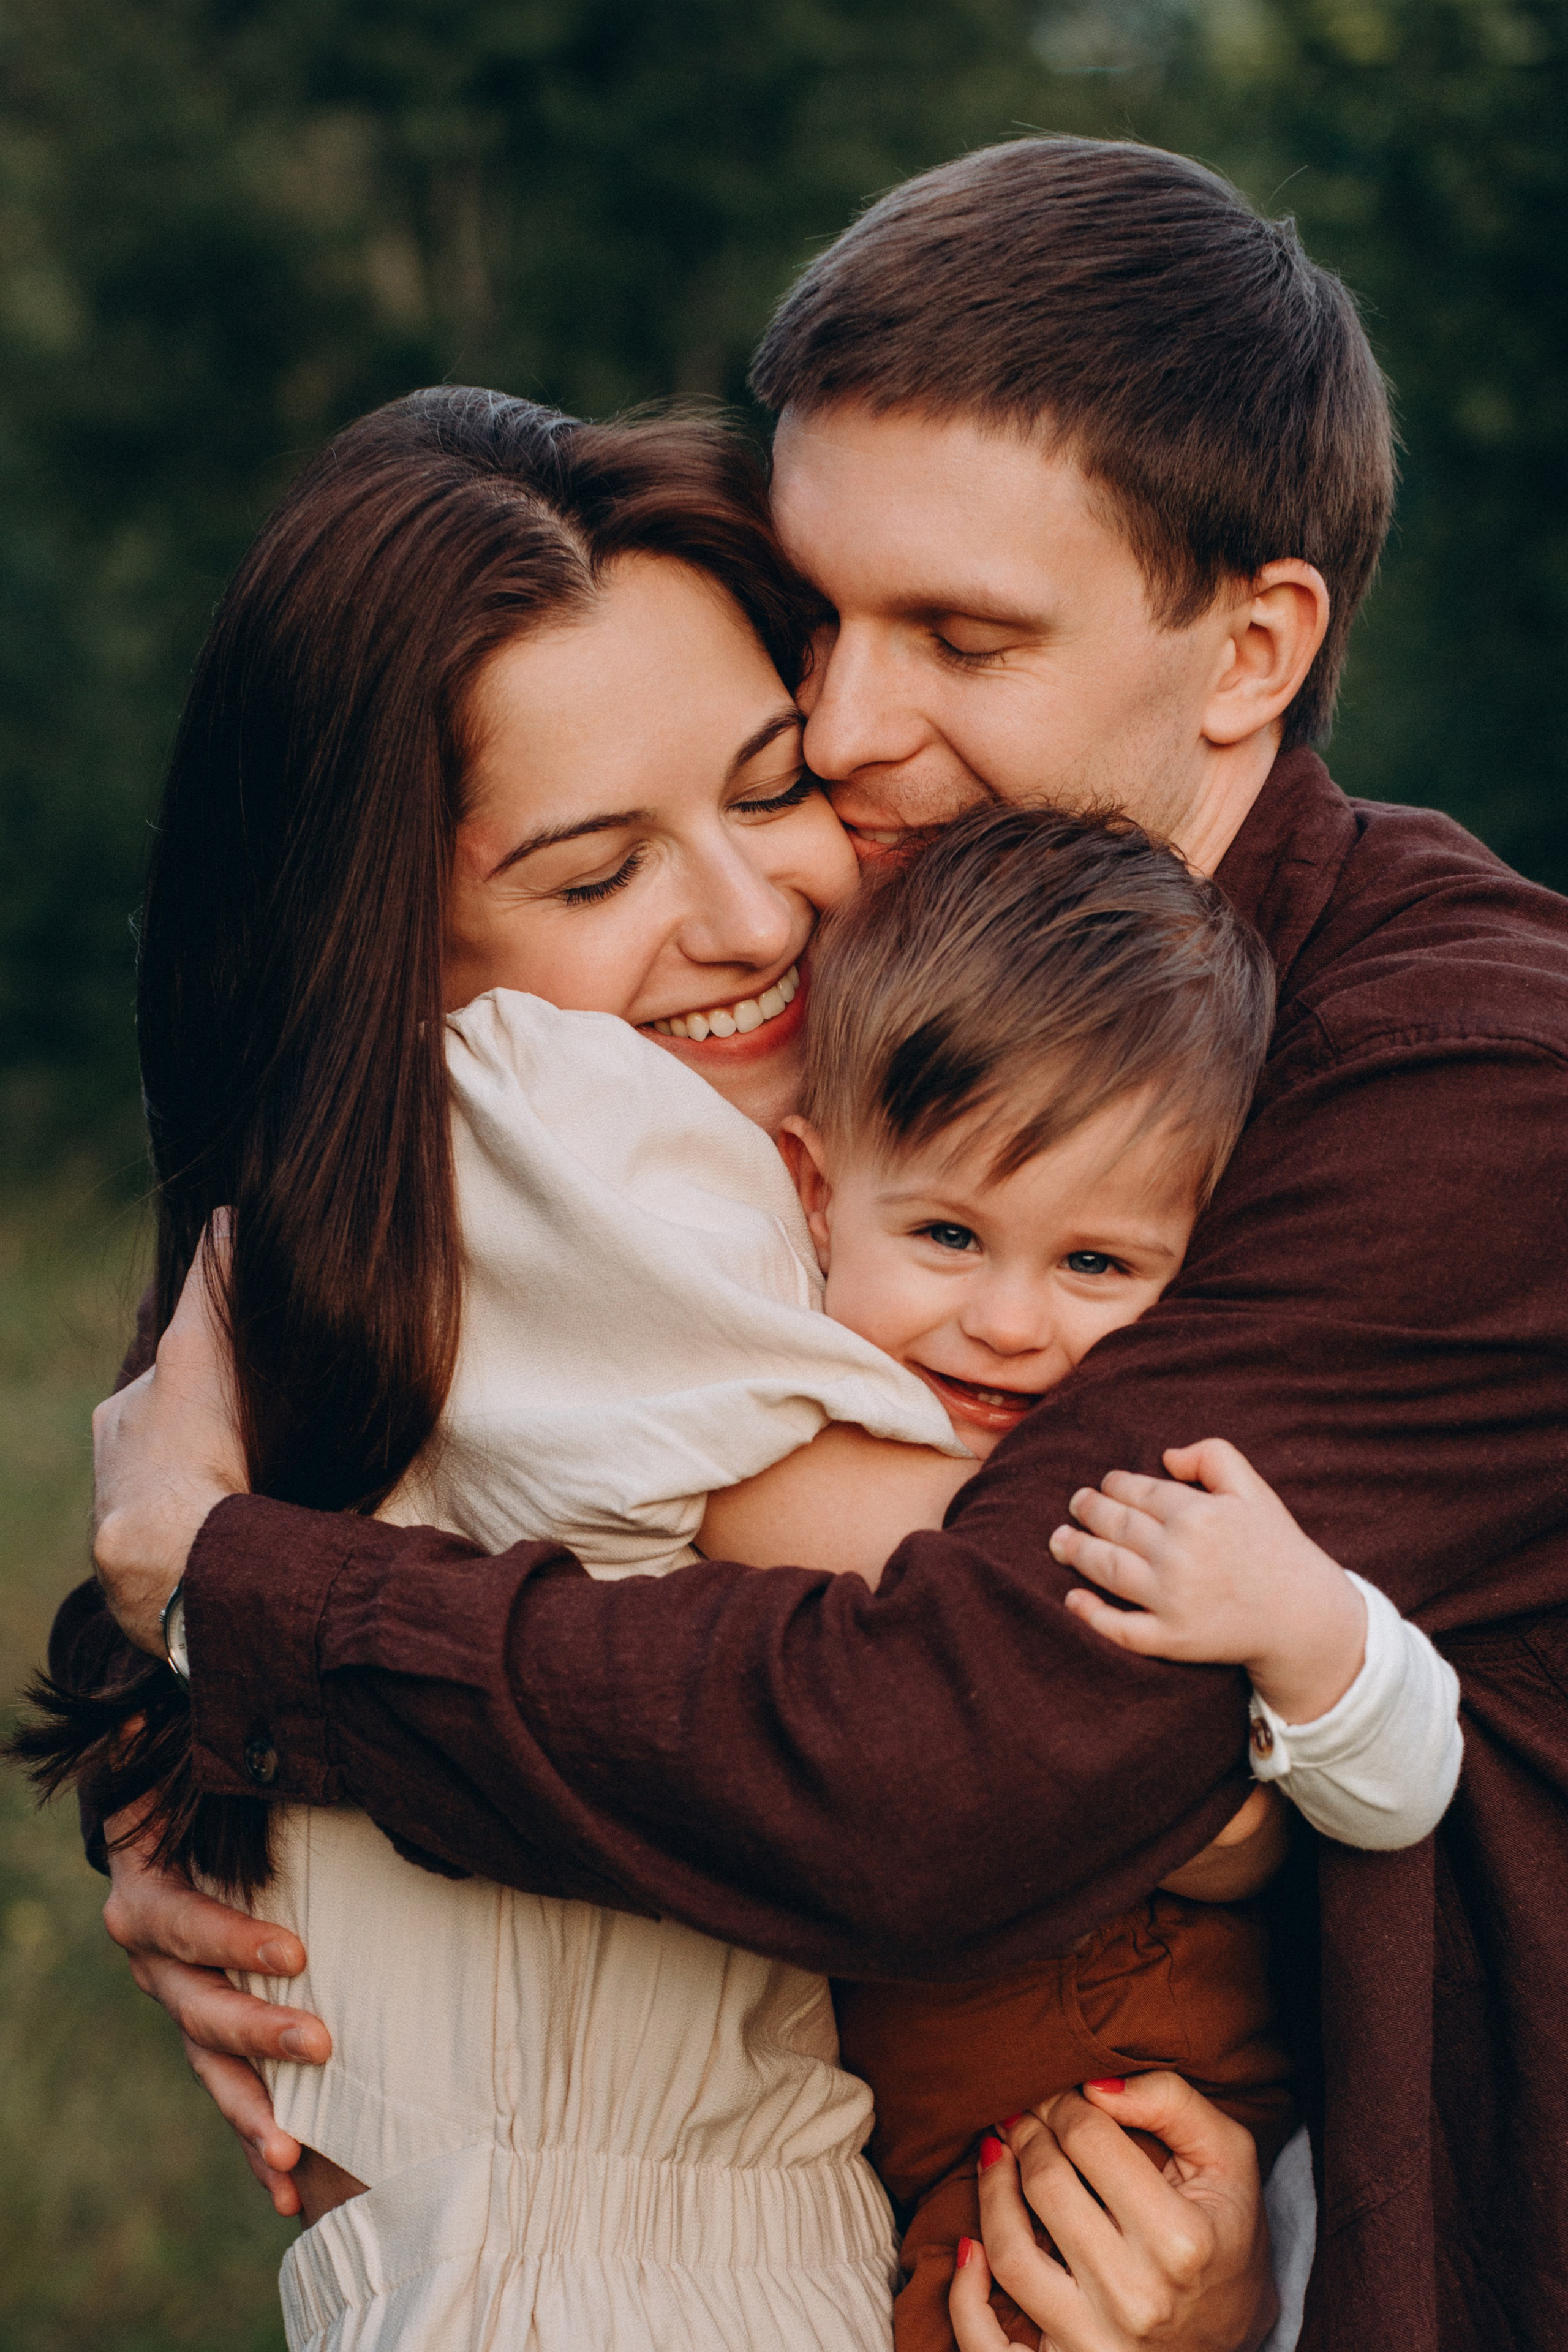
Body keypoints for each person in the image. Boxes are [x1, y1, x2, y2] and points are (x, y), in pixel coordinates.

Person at [59, 135, 1568, 2350]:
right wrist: (208, 1772)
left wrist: (251, 1614)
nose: (850, 738)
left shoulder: (1470, 1084)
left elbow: (946, 1760)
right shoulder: (879, 960)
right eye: (823, 621)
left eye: (960, 635)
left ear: (1253, 648)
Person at [697, 807, 1461, 2352]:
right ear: (816, 1185)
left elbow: (1404, 1786)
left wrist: (1307, 1635)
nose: (1010, 1323)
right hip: (933, 2164)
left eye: (1096, 1267)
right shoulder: (779, 1426)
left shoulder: (1187, 1498)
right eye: (949, 1234)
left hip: (1194, 2123)